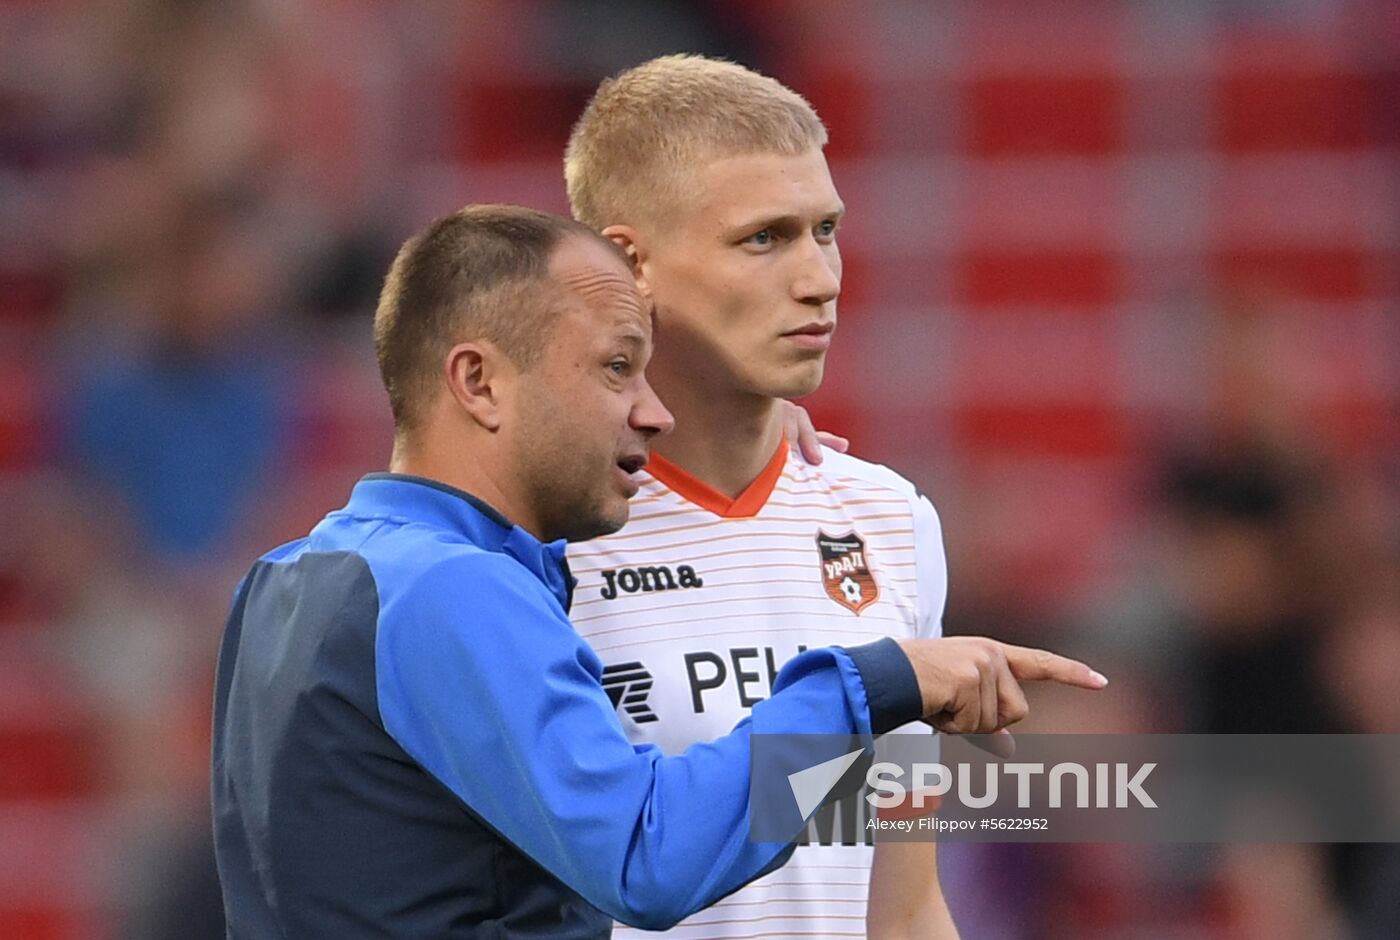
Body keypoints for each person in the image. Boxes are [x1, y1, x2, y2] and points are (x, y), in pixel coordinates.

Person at [211, 204, 1106, 938]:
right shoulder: (455, 590)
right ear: (478, 383)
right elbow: (647, 857)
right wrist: (876, 680)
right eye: (615, 370)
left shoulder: (292, 578)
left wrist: (744, 443)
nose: (654, 413)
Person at [562, 55, 956, 938]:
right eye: (764, 238)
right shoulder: (542, 541)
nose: (820, 278)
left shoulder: (890, 517)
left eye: (826, 229)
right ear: (633, 263)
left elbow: (905, 899)